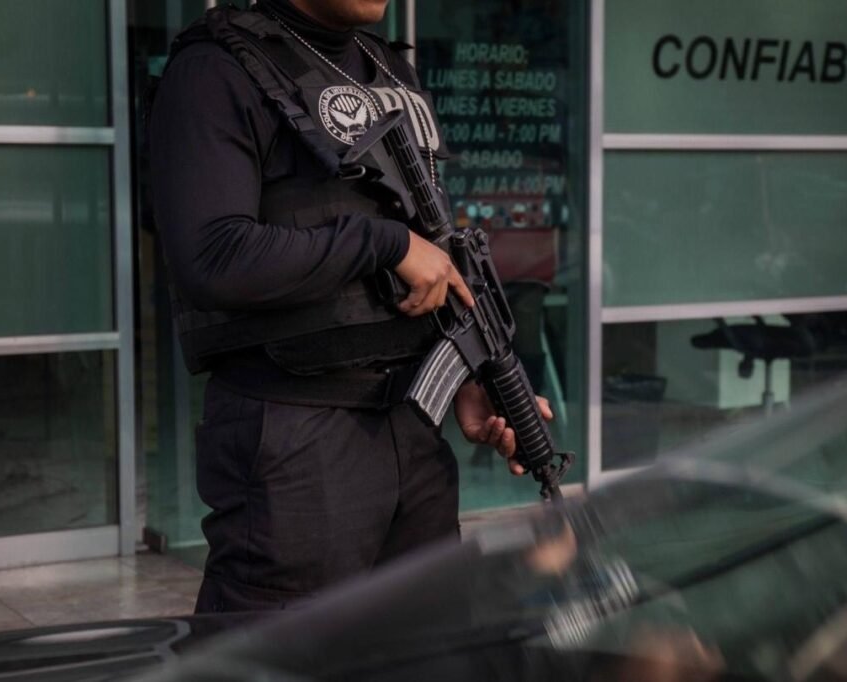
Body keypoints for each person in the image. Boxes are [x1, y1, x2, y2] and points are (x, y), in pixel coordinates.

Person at [148, 0, 551, 613]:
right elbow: (212, 257)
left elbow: (433, 249)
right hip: (295, 436)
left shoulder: (388, 70)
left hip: (413, 432)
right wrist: (384, 245)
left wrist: (468, 372)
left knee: (425, 644)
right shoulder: (214, 69)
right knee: (281, 651)